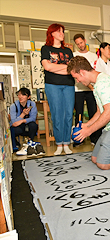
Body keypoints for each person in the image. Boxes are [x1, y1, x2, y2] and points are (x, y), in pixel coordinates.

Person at [67, 56, 110, 170]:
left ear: (82, 72)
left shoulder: (103, 84)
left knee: (103, 164)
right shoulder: (97, 83)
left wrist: (89, 131)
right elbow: (100, 112)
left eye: (76, 78)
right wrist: (86, 125)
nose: (78, 81)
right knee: (95, 159)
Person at [41, 23, 74, 155]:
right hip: (52, 85)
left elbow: (71, 70)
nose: (62, 33)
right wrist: (64, 67)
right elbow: (47, 68)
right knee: (57, 115)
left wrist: (55, 67)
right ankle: (59, 143)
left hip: (69, 85)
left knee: (68, 115)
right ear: (52, 33)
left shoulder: (68, 51)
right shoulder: (45, 49)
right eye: (59, 31)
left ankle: (66, 142)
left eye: (62, 31)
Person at [73, 33, 100, 146]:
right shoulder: (74, 55)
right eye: (78, 44)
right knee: (78, 113)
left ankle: (95, 138)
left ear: (85, 41)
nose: (80, 45)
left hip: (92, 90)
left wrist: (93, 87)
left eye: (81, 42)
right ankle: (78, 138)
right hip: (78, 90)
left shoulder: (93, 56)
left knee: (93, 112)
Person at [10, 88, 45, 156]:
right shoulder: (13, 106)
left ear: (28, 97)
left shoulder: (32, 104)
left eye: (23, 95)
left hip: (27, 124)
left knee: (33, 125)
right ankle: (15, 144)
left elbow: (33, 118)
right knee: (14, 129)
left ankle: (30, 142)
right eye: (19, 94)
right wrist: (22, 114)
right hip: (18, 127)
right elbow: (13, 122)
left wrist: (22, 120)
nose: (20, 97)